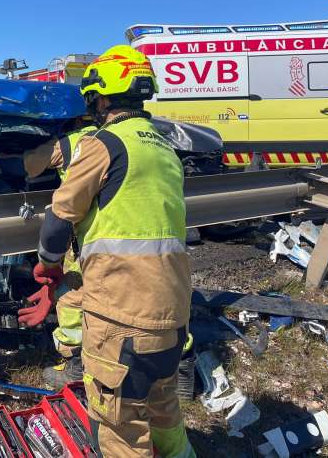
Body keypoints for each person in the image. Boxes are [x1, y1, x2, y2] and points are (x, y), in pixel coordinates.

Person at [32, 45, 195, 457]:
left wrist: (49, 266)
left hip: (122, 318)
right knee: (164, 410)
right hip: (172, 314)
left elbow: (57, 220)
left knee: (120, 427)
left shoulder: (104, 144)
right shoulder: (163, 147)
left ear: (100, 97)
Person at [0, 118, 95, 387]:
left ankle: (75, 364)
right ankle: (182, 365)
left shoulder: (74, 142)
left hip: (88, 231)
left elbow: (21, 165)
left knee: (73, 291)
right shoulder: (130, 141)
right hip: (139, 235)